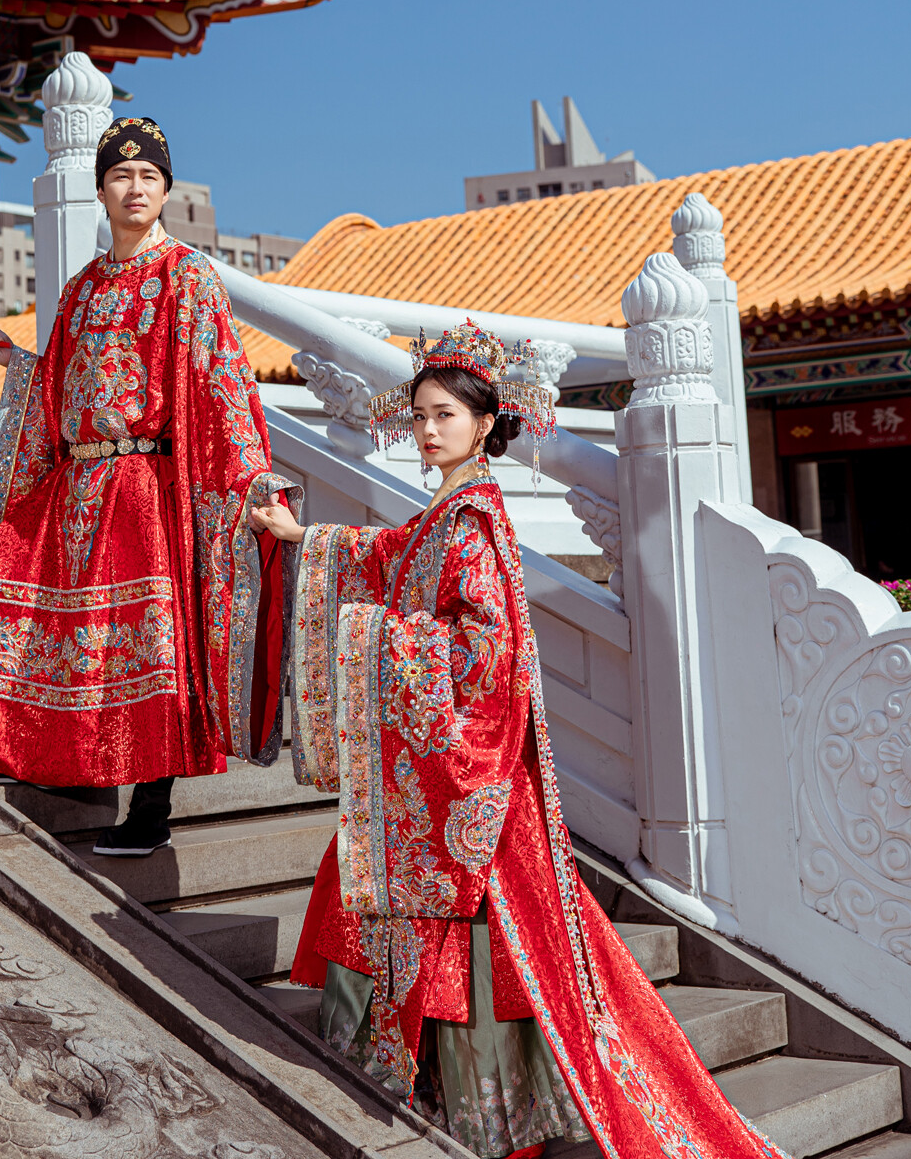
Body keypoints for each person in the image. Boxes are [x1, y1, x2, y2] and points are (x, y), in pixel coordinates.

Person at [251, 322, 790, 1159]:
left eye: (446, 416)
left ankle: (487, 1110)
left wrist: (374, 641)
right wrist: (306, 539)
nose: (429, 430)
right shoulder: (448, 514)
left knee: (486, 936)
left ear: (482, 425)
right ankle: (426, 1082)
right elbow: (390, 550)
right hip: (435, 765)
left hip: (471, 770)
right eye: (420, 415)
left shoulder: (471, 521)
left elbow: (487, 653)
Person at [0, 116, 297, 858]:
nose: (135, 188)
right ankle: (47, 756)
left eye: (149, 176)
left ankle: (150, 808)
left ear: (166, 191)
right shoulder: (82, 288)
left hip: (144, 489)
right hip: (74, 485)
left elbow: (222, 384)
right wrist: (10, 359)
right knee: (20, 602)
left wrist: (252, 483)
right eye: (121, 176)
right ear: (100, 190)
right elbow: (58, 385)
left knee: (147, 643)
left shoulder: (187, 277)